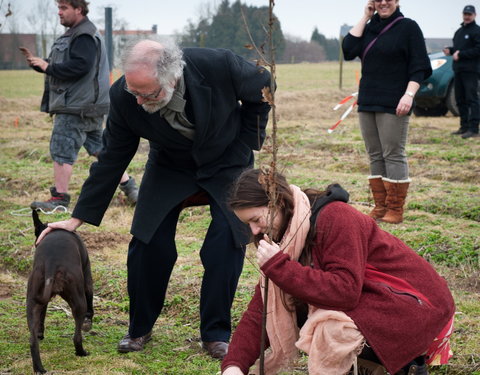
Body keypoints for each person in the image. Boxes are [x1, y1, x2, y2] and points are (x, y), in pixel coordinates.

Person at [35, 38, 272, 359]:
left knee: (225, 241)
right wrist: (76, 218)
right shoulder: (124, 96)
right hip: (170, 165)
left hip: (227, 160)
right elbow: (112, 159)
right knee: (147, 241)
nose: (138, 101)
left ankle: (215, 333)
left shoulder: (219, 65)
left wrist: (246, 141)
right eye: (135, 92)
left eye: (148, 94)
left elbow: (264, 88)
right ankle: (139, 328)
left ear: (172, 77)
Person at [221, 168, 455, 375]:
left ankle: (408, 364)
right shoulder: (285, 236)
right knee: (299, 303)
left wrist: (280, 267)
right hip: (379, 297)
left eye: (256, 219)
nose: (254, 230)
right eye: (247, 224)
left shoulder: (335, 217)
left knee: (329, 326)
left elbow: (345, 291)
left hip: (415, 304)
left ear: (278, 203)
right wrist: (234, 365)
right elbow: (264, 307)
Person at [20, 0, 138, 211]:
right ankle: (130, 188)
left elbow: (80, 66)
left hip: (75, 106)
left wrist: (48, 66)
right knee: (102, 150)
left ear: (79, 9)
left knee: (62, 149)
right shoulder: (78, 33)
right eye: (58, 8)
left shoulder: (83, 35)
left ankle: (59, 200)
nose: (59, 12)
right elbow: (66, 66)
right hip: (88, 105)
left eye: (64, 8)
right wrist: (42, 65)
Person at [342, 0, 432, 224]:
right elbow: (348, 50)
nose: (383, 2)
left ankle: (395, 208)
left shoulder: (408, 27)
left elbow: (420, 66)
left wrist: (408, 95)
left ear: (397, 1)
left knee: (393, 153)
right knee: (374, 153)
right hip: (368, 100)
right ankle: (380, 206)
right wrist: (365, 16)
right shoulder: (370, 27)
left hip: (394, 101)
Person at [443, 5, 480, 139]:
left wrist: (461, 54)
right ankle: (464, 127)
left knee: (472, 99)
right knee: (460, 100)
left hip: (471, 71)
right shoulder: (459, 32)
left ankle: (474, 128)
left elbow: (478, 50)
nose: (467, 16)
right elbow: (458, 50)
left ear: (474, 15)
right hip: (458, 70)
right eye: (465, 14)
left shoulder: (477, 31)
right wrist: (451, 50)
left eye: (469, 14)